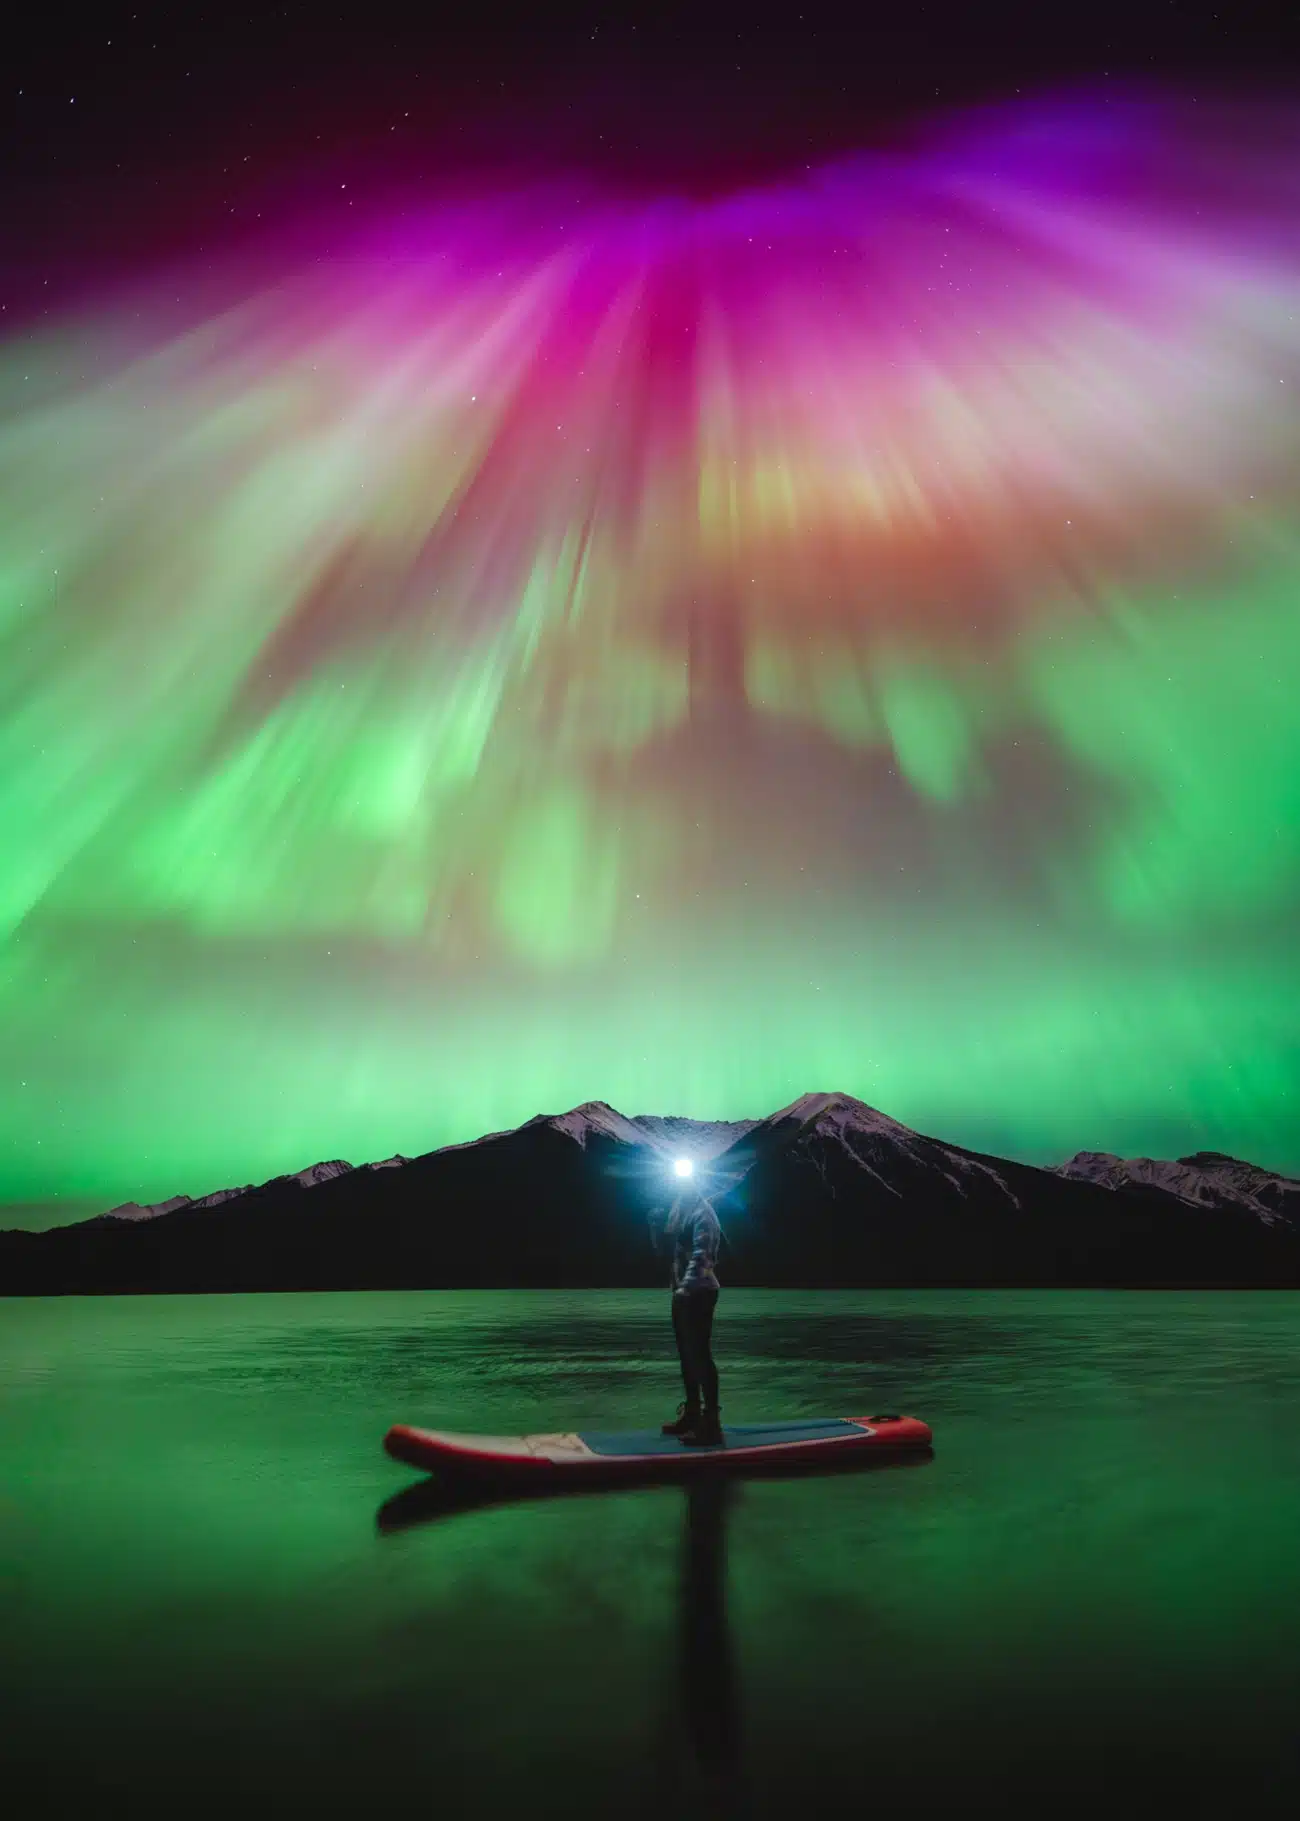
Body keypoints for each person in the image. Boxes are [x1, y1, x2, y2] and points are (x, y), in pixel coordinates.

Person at [661, 1187, 724, 1446]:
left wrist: (685, 1289)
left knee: (699, 1355)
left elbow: (702, 1256)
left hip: (700, 1292)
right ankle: (692, 1413)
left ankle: (711, 1424)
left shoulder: (703, 1214)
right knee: (687, 1356)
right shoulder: (680, 1211)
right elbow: (672, 1252)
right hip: (683, 1293)